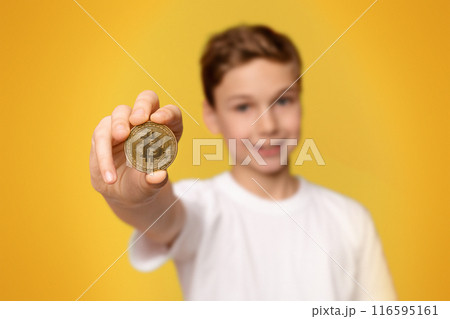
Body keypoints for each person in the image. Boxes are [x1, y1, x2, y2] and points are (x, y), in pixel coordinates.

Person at [89, 24, 397, 300]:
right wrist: (133, 199)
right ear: (211, 116)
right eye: (243, 106)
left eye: (284, 100)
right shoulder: (200, 207)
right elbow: (161, 217)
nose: (267, 126)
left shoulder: (351, 220)